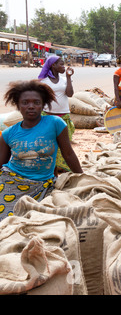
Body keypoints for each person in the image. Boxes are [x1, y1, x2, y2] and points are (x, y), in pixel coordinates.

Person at [0, 80, 83, 222]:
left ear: (43, 104)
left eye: (36, 102)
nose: (31, 106)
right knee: (8, 222)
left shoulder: (55, 123)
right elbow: (1, 164)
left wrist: (82, 178)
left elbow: (68, 154)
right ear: (18, 105)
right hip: (11, 183)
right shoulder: (8, 134)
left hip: (43, 185)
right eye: (25, 102)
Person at [38, 56, 75, 175]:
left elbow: (70, 94)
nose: (64, 67)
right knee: (50, 146)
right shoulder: (44, 81)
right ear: (53, 65)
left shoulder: (64, 80)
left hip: (64, 116)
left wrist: (69, 78)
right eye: (61, 64)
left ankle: (63, 169)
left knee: (65, 145)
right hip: (48, 116)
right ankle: (52, 173)